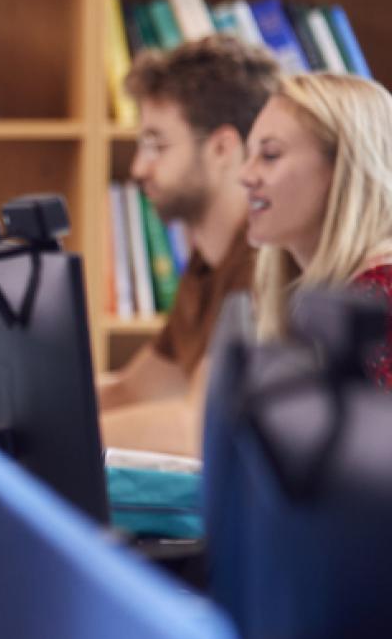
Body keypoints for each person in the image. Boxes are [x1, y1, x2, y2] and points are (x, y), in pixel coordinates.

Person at [100, 37, 279, 444]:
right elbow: (133, 390)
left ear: (221, 148)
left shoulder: (265, 261)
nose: (139, 168)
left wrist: (32, 446)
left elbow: (196, 428)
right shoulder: (207, 263)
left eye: (156, 145)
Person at [242, 71, 392, 388]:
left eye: (269, 155)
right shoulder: (309, 296)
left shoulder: (380, 297)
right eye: (248, 156)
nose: (245, 175)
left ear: (344, 169)